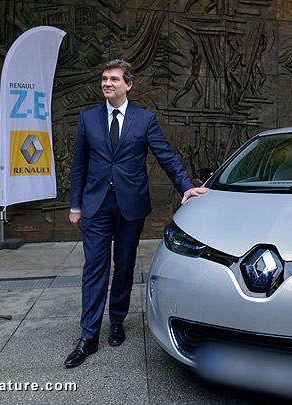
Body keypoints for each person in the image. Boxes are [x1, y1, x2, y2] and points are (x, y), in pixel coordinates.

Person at [66, 59, 207, 368]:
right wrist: (75, 206)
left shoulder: (145, 120)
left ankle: (117, 320)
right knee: (94, 269)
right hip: (95, 205)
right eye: (104, 78)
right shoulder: (87, 118)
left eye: (114, 79)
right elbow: (79, 166)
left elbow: (166, 155)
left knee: (125, 264)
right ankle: (88, 336)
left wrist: (185, 186)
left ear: (128, 85)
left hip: (130, 205)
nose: (107, 83)